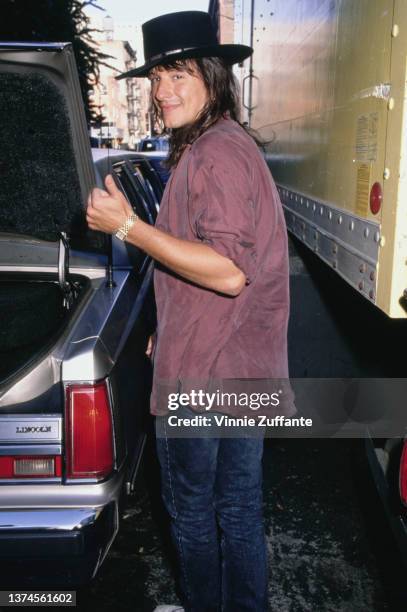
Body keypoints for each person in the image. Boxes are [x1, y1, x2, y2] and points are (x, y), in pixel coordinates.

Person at [86, 11, 290, 612]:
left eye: (177, 74)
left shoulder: (214, 156)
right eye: (156, 78)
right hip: (242, 368)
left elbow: (227, 272)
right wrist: (169, 326)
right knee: (239, 511)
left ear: (211, 75)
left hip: (205, 376)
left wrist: (128, 225)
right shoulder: (225, 144)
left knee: (197, 516)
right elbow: (216, 272)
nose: (161, 90)